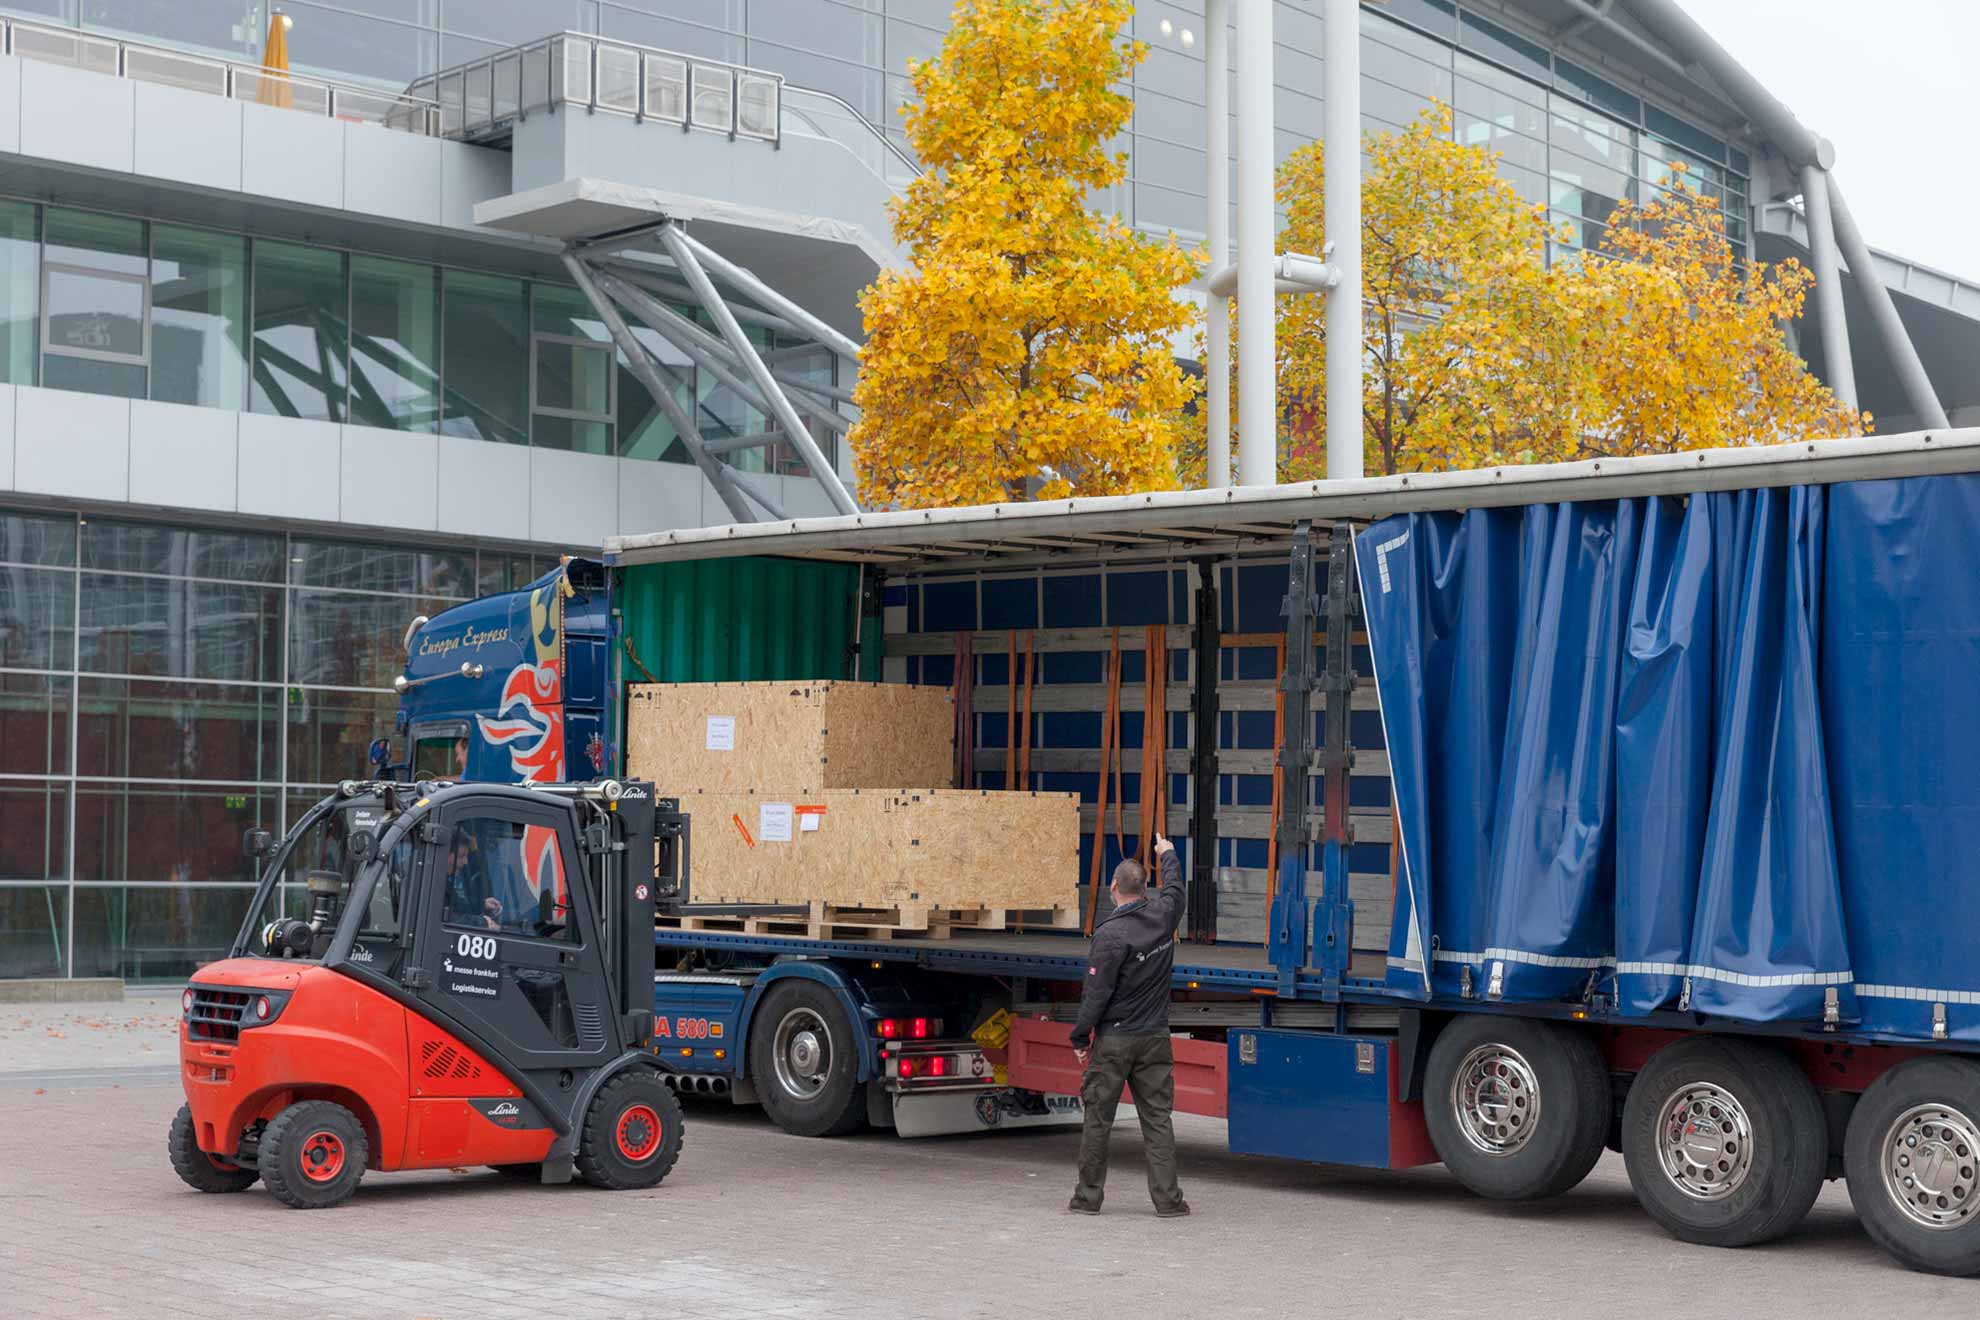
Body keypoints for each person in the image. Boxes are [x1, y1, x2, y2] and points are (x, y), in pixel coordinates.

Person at [1067, 833, 1189, 1218]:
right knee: (1157, 1120)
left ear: (1114, 887)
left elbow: (1096, 994)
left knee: (1098, 1120)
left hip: (1115, 1040)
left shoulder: (1109, 935)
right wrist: (1167, 853)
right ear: (1145, 888)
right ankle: (1169, 1201)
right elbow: (1175, 887)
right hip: (1155, 1037)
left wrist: (1079, 1035)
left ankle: (1088, 1198)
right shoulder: (1165, 915)